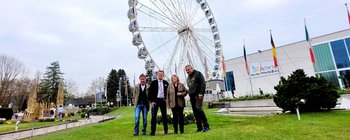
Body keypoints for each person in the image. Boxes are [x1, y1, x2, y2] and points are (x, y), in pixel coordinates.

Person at [185, 65, 210, 132]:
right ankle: (199, 127)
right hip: (192, 96)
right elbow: (190, 87)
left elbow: (203, 83)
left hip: (198, 95)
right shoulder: (188, 78)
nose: (187, 71)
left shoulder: (198, 73)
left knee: (199, 109)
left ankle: (206, 126)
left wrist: (201, 93)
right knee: (195, 112)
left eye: (188, 69)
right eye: (186, 70)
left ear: (192, 68)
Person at [149, 70, 169, 135]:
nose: (160, 75)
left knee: (164, 116)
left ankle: (166, 131)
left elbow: (168, 92)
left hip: (163, 100)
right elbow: (150, 93)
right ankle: (152, 132)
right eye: (159, 74)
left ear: (163, 75)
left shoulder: (166, 82)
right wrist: (151, 101)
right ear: (157, 75)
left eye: (161, 74)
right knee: (154, 116)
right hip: (155, 101)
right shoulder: (153, 82)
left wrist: (167, 99)